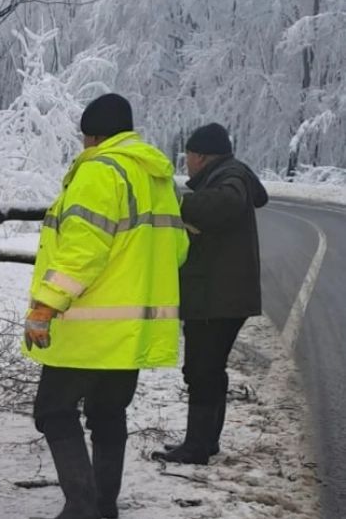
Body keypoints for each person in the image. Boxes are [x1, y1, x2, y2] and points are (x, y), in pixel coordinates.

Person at [23, 93, 189, 518]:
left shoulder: (100, 171)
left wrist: (45, 306)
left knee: (54, 411)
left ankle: (83, 509)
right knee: (108, 413)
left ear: (93, 136)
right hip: (132, 329)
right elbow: (179, 249)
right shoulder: (157, 178)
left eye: (84, 139)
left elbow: (83, 250)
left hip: (88, 325)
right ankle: (103, 506)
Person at [151, 123, 268, 465]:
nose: (186, 162)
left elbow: (228, 202)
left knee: (202, 370)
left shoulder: (230, 176)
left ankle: (197, 447)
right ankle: (204, 442)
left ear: (201, 156)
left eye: (187, 155)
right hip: (221, 295)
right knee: (209, 370)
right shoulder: (230, 174)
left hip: (218, 297)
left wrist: (181, 204)